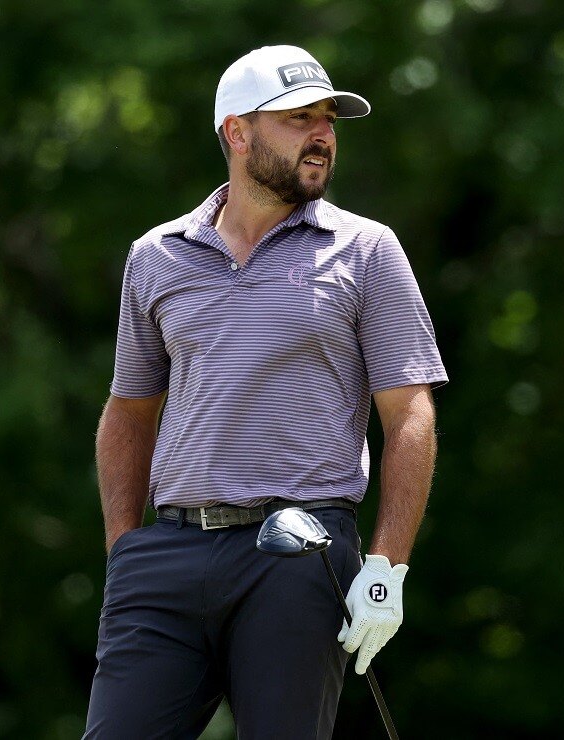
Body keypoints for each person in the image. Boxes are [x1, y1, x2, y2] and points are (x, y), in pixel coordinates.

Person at [83, 44, 448, 739]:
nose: (322, 134)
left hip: (300, 553)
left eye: (328, 120)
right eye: (297, 118)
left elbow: (410, 415)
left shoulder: (367, 251)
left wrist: (385, 568)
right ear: (237, 133)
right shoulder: (156, 255)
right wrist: (125, 551)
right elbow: (129, 411)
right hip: (168, 557)